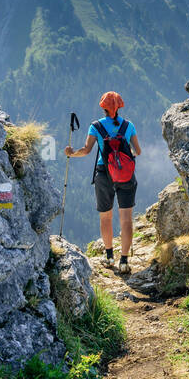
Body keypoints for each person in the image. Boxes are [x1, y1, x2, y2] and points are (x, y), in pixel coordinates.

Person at [65, 91, 142, 274]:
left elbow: (86, 150)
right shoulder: (128, 126)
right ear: (120, 107)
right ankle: (124, 261)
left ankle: (109, 257)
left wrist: (71, 153)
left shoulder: (96, 127)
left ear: (103, 108)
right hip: (126, 176)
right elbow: (137, 151)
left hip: (103, 175)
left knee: (106, 217)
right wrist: (122, 158)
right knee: (126, 219)